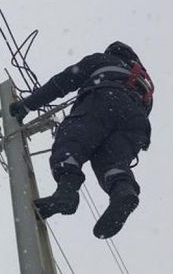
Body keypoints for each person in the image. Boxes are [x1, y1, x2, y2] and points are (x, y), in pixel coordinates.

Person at [9, 41, 154, 238]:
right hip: (137, 121)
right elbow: (138, 115)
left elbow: (61, 83)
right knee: (110, 161)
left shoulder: (102, 60)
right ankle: (122, 190)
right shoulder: (143, 85)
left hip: (104, 99)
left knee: (72, 141)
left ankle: (66, 193)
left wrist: (27, 105)